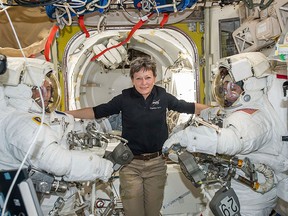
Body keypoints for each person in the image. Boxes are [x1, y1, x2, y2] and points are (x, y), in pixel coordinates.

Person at [65, 56, 209, 216]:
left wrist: (215, 110)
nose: (144, 83)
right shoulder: (124, 99)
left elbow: (188, 107)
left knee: (153, 212)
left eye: (148, 77)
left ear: (155, 78)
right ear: (132, 80)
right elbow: (97, 111)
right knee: (134, 212)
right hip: (130, 164)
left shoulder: (163, 97)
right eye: (138, 78)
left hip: (156, 164)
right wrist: (65, 114)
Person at [163, 52, 288, 216]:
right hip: (231, 193)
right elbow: (211, 115)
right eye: (224, 86)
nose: (227, 92)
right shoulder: (234, 111)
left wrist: (187, 137)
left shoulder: (254, 117)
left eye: (233, 87)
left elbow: (231, 141)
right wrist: (185, 127)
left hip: (249, 203)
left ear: (250, 88)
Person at [0, 57, 114, 215]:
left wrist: (107, 125)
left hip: (66, 199)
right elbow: (57, 162)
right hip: (43, 204)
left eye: (49, 89)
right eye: (41, 89)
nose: (47, 95)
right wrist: (104, 167)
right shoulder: (21, 125)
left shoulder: (49, 116)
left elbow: (74, 128)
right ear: (23, 90)